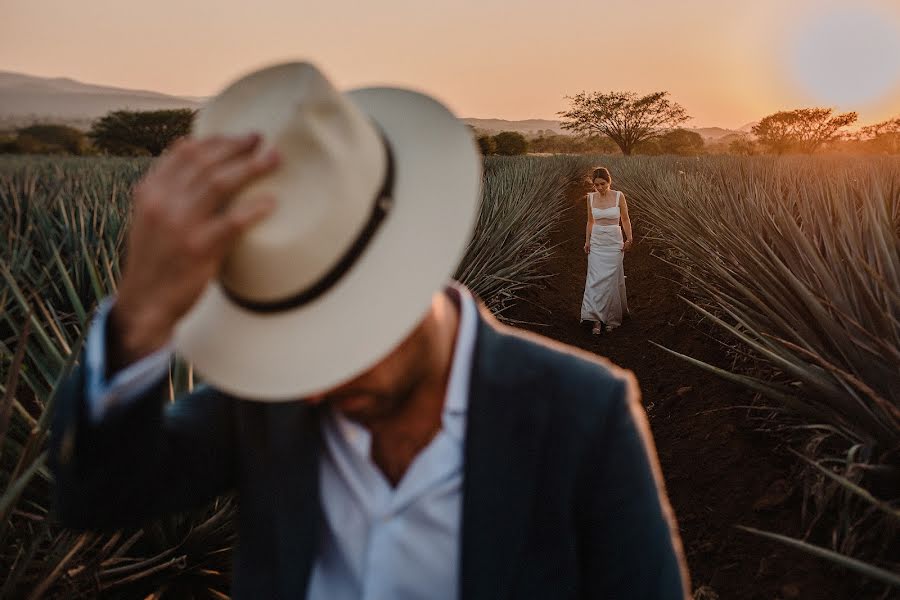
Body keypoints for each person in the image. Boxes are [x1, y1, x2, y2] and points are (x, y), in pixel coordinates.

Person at [50, 63, 689, 599]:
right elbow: (98, 495)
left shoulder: (584, 411)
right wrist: (138, 318)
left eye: (340, 339)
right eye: (289, 344)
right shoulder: (268, 399)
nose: (312, 383)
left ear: (407, 266)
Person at [581, 167, 633, 335]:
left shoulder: (619, 196)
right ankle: (596, 319)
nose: (600, 188)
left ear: (609, 181)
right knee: (595, 280)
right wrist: (587, 241)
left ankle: (610, 318)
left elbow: (625, 219)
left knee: (611, 281)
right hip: (597, 243)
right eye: (596, 185)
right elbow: (590, 221)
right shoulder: (590, 198)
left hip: (614, 243)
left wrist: (629, 238)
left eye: (603, 184)